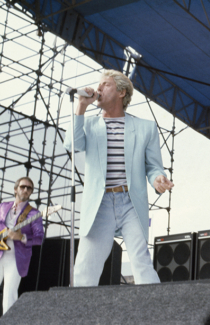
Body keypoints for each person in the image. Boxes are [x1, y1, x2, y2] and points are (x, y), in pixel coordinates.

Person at [64, 69, 174, 286]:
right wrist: (81, 107)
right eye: (99, 84)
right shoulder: (89, 124)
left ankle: (156, 314)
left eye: (105, 84)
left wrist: (158, 179)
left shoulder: (146, 128)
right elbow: (71, 144)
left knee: (142, 262)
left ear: (122, 92)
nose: (98, 88)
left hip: (130, 202)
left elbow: (153, 167)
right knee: (85, 268)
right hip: (100, 203)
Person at [0, 177, 44, 314]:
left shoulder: (34, 213)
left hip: (16, 257)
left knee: (9, 293)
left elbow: (39, 238)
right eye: (23, 187)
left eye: (29, 188)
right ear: (15, 189)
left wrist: (21, 237)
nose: (25, 190)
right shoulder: (2, 206)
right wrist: (4, 231)